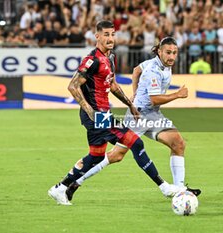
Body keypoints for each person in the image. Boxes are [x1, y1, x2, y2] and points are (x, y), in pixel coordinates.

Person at [48, 21, 182, 206]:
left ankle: (61, 188)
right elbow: (73, 86)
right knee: (136, 142)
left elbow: (112, 85)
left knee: (95, 156)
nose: (110, 38)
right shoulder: (92, 59)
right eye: (106, 34)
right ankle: (163, 186)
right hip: (97, 116)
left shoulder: (109, 57)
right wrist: (90, 111)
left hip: (102, 113)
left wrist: (130, 104)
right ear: (97, 36)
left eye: (113, 34)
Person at [64, 37, 201, 202]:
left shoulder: (159, 64)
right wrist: (177, 95)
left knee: (178, 143)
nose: (172, 56)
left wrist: (134, 92)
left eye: (174, 53)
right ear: (159, 51)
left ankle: (180, 190)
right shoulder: (153, 70)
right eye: (168, 53)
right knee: (116, 155)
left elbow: (136, 70)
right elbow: (154, 99)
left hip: (153, 115)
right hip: (140, 115)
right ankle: (75, 182)